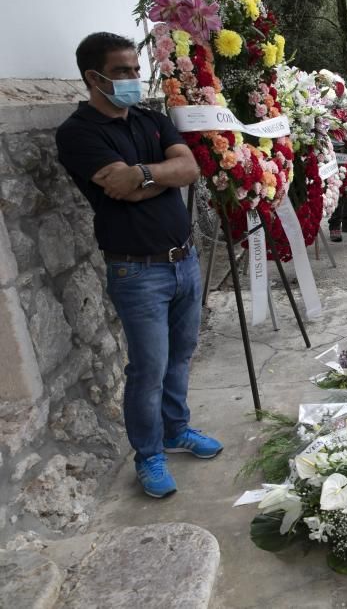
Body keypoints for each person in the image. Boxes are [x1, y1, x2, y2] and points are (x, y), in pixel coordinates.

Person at [55, 32, 221, 499]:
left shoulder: (150, 119)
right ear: (94, 77)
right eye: (122, 70)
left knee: (181, 356)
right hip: (137, 271)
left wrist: (145, 173)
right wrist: (158, 176)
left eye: (135, 68)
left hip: (183, 260)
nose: (133, 77)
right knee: (148, 368)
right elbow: (120, 189)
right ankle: (148, 454)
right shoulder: (79, 133)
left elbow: (188, 169)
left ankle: (176, 430)